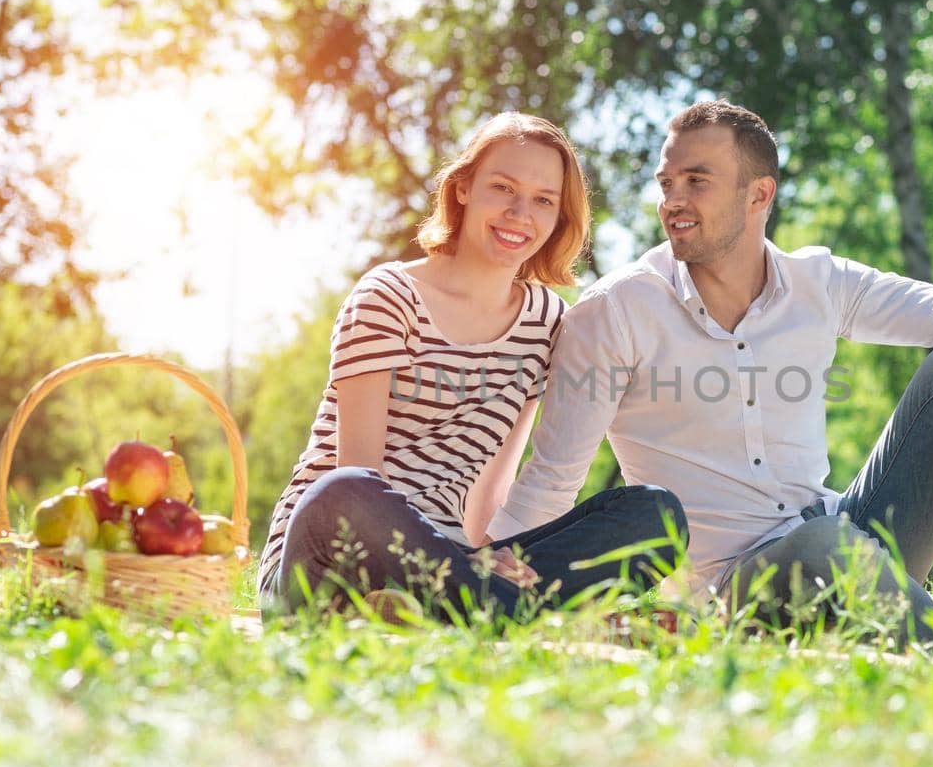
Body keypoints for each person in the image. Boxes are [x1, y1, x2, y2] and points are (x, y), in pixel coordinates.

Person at [486, 100, 933, 636]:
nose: (673, 201)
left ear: (759, 195)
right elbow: (552, 482)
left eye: (696, 181)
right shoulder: (615, 311)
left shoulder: (819, 283)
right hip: (737, 589)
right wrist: (479, 573)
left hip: (849, 538)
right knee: (821, 545)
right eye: (666, 182)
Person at [257, 113, 685, 615]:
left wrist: (489, 555)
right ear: (463, 188)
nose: (519, 214)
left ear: (559, 216)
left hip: (451, 563)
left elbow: (492, 485)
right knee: (345, 491)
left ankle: (472, 609)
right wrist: (465, 560)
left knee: (654, 513)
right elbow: (360, 469)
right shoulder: (388, 295)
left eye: (543, 200)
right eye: (503, 188)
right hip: (330, 554)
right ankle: (507, 614)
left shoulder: (545, 321)